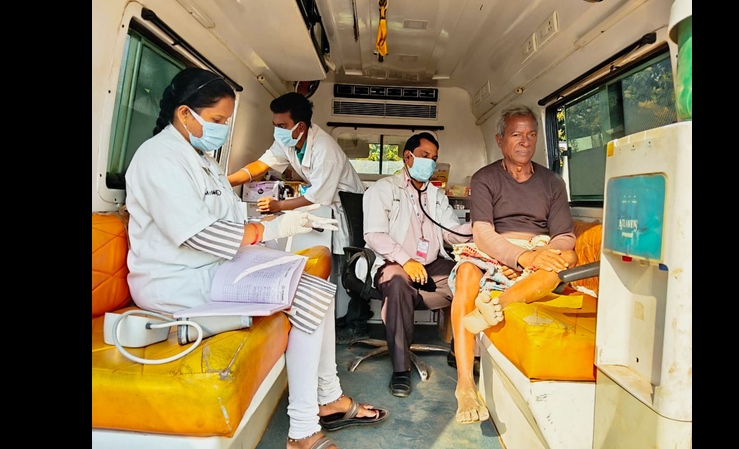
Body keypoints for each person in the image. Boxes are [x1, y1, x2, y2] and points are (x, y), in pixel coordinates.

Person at [125, 68, 388, 449]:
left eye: (225, 122)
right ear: (184, 113)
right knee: (308, 295)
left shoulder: (201, 160)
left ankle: (329, 398)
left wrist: (271, 222)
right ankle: (302, 431)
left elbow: (230, 215)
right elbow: (200, 234)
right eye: (218, 120)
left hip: (210, 267)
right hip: (175, 280)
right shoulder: (158, 159)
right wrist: (274, 227)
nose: (222, 129)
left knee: (319, 289)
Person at [447, 104, 578, 424]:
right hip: (496, 251)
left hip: (538, 250)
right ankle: (465, 384)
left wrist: (540, 254)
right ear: (500, 140)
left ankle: (494, 306)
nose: (525, 141)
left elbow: (564, 235)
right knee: (466, 273)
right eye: (516, 135)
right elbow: (482, 233)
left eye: (531, 135)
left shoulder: (552, 182)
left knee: (566, 261)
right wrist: (519, 257)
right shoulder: (485, 178)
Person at [227, 92, 371, 344]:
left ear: (300, 126)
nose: (278, 131)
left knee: (353, 266)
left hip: (350, 206)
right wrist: (225, 181)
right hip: (330, 205)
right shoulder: (289, 141)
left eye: (282, 125)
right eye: (275, 125)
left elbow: (318, 196)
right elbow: (261, 165)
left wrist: (278, 205)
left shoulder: (325, 148)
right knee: (337, 265)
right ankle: (345, 317)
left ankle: (359, 323)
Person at [361, 132, 472, 397]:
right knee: (398, 283)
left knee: (469, 276)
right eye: (424, 156)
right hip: (393, 263)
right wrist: (406, 260)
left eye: (434, 158)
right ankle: (401, 369)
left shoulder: (436, 195)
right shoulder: (384, 189)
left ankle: (462, 352)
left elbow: (450, 233)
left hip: (430, 264)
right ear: (407, 157)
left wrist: (477, 228)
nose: (430, 163)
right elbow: (374, 234)